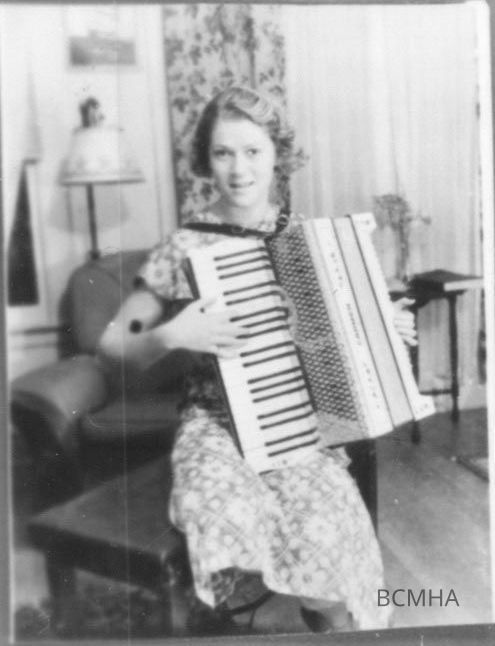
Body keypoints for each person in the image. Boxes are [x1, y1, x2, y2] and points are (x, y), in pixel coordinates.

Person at [98, 86, 417, 633]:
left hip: (297, 424)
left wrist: (385, 328)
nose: (239, 169)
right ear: (207, 160)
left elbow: (338, 336)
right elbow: (112, 347)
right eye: (223, 153)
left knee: (330, 550)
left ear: (278, 155)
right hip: (215, 426)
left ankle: (330, 621)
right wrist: (172, 333)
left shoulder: (305, 237)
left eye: (253, 151)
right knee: (225, 514)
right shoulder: (183, 245)